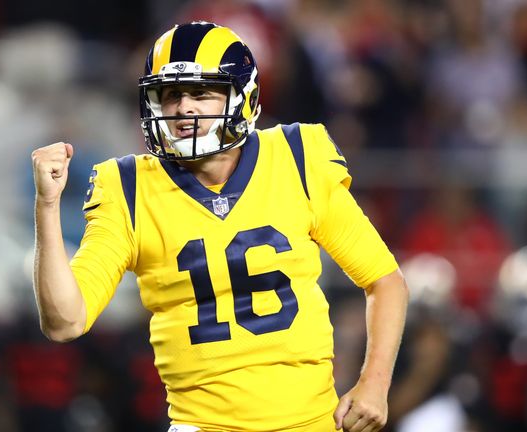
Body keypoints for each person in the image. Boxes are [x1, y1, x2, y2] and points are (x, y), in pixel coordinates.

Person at [32, 21, 409, 432]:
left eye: (201, 93)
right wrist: (47, 207)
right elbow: (65, 321)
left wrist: (374, 385)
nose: (184, 108)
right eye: (171, 94)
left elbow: (384, 280)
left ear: (242, 97)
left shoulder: (297, 159)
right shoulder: (129, 188)